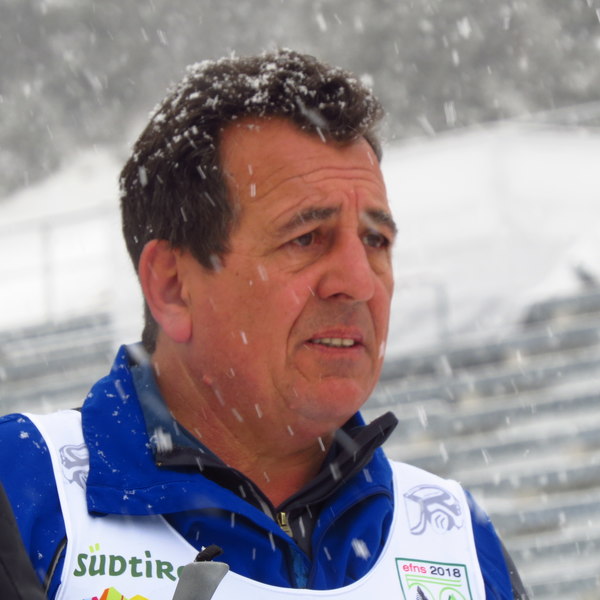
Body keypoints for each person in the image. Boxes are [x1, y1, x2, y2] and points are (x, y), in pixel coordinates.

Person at [0, 49, 527, 600]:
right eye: (306, 238)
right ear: (173, 286)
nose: (359, 281)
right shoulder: (25, 490)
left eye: (376, 240)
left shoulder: (456, 542)